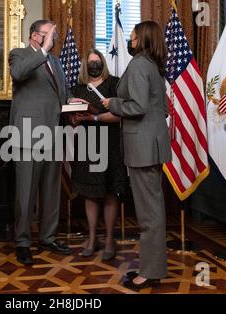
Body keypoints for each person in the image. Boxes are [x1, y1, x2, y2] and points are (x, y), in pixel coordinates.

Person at [8, 20, 85, 265]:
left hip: (54, 132)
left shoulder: (55, 62)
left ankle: (48, 237)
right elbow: (19, 74)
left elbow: (62, 93)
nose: (55, 38)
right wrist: (42, 51)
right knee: (26, 191)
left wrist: (73, 103)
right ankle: (22, 241)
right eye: (51, 34)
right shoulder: (18, 54)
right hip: (28, 133)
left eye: (56, 33)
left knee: (51, 190)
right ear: (35, 36)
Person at [102, 21, 171, 289]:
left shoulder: (141, 64)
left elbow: (139, 106)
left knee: (148, 215)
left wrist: (112, 103)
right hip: (149, 145)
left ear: (143, 38)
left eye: (132, 37)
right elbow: (162, 109)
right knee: (151, 211)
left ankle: (150, 272)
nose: (130, 40)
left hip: (143, 148)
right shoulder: (153, 65)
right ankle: (152, 268)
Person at [69, 49, 128, 261]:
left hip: (110, 143)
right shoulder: (77, 88)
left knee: (111, 192)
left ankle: (110, 239)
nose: (94, 65)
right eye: (91, 62)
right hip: (86, 145)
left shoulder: (115, 83)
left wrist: (94, 118)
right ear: (85, 66)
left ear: (103, 63)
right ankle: (92, 238)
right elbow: (73, 120)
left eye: (98, 61)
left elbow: (121, 114)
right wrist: (75, 118)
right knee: (90, 193)